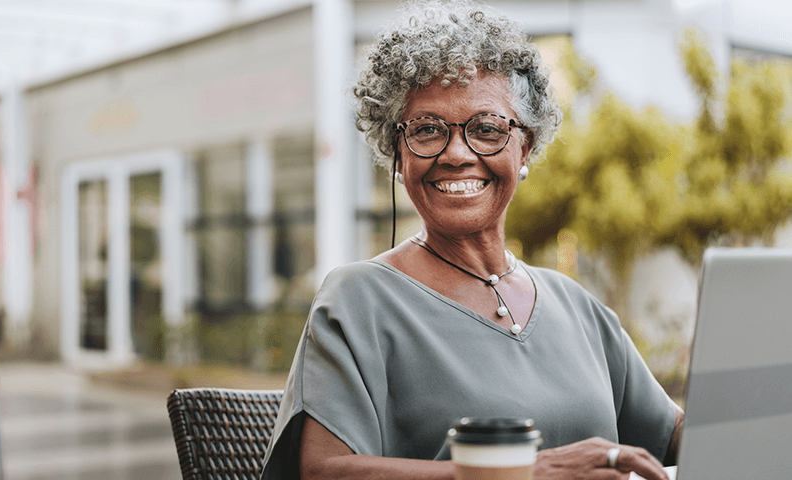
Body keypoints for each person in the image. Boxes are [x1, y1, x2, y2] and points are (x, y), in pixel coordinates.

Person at [261, 1, 683, 479]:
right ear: (398, 154)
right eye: (426, 130)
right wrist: (520, 473)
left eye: (486, 129)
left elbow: (677, 437)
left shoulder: (577, 306)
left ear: (525, 147)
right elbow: (323, 472)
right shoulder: (358, 301)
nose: (457, 153)